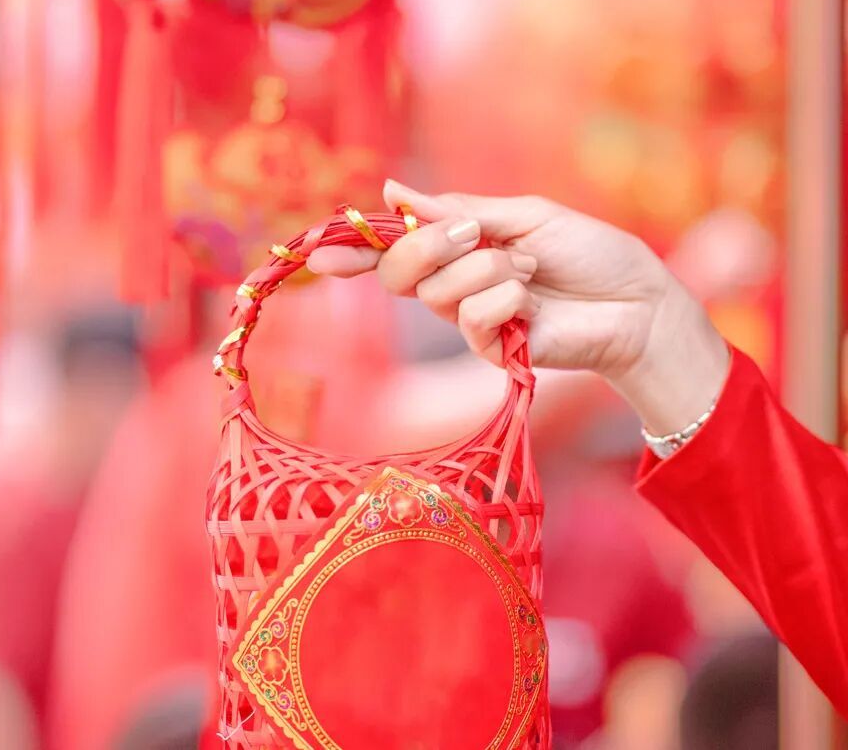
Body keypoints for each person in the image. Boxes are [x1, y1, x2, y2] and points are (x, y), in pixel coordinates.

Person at [307, 179, 848, 719]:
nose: (486, 464)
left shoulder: (609, 546)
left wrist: (652, 325)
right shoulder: (366, 562)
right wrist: (655, 320)